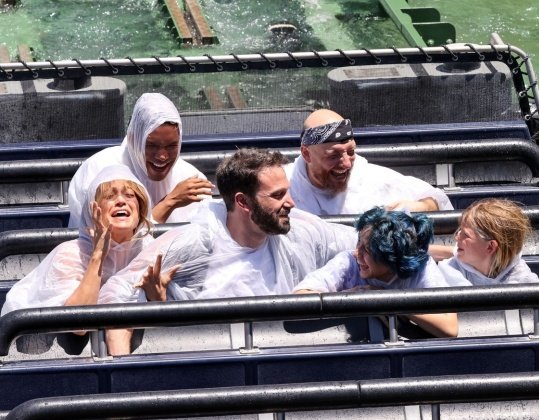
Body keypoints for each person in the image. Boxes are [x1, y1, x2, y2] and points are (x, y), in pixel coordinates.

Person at [98, 147, 358, 355]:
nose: (290, 203)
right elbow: (116, 291)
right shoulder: (196, 242)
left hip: (282, 361)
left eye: (287, 193)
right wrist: (122, 368)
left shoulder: (299, 232)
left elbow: (359, 244)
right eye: (277, 195)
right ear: (243, 201)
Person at [1, 165, 154, 350]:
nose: (121, 201)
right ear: (93, 209)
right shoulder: (69, 254)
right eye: (110, 196)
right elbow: (78, 325)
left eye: (129, 195)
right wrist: (98, 255)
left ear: (140, 207)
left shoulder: (152, 251)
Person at [293, 207, 458, 339]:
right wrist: (350, 298)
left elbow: (449, 328)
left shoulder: (423, 268)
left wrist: (387, 301)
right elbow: (301, 296)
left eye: (366, 250)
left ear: (390, 257)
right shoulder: (348, 261)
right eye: (358, 243)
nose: (357, 254)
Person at [67, 93, 214, 226]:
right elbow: (112, 245)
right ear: (133, 138)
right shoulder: (99, 171)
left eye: (171, 146)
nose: (162, 156)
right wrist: (170, 202)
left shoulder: (191, 179)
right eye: (151, 145)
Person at [284, 109, 453, 216]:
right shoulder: (282, 183)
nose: (347, 164)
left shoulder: (371, 178)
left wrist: (419, 207)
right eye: (333, 156)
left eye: (350, 152)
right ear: (307, 154)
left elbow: (438, 200)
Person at [438, 199, 539, 286]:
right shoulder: (447, 271)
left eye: (466, 235)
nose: (457, 237)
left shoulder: (526, 283)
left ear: (490, 247)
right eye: (459, 230)